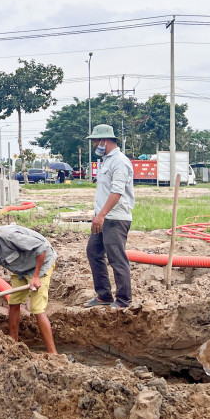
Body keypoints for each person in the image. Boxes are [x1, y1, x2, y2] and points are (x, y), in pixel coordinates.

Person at [0, 218, 58, 354]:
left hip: (40, 266)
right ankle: (13, 344)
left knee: (37, 308)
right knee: (13, 303)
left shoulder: (8, 236)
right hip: (20, 270)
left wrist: (35, 276)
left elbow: (42, 248)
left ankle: (53, 353)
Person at [84, 124, 135, 308]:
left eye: (95, 141)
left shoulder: (119, 161)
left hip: (115, 218)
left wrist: (102, 214)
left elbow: (117, 192)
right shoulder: (106, 160)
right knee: (93, 251)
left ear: (104, 140)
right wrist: (98, 214)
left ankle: (123, 300)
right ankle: (104, 295)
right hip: (103, 217)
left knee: (116, 258)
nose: (94, 145)